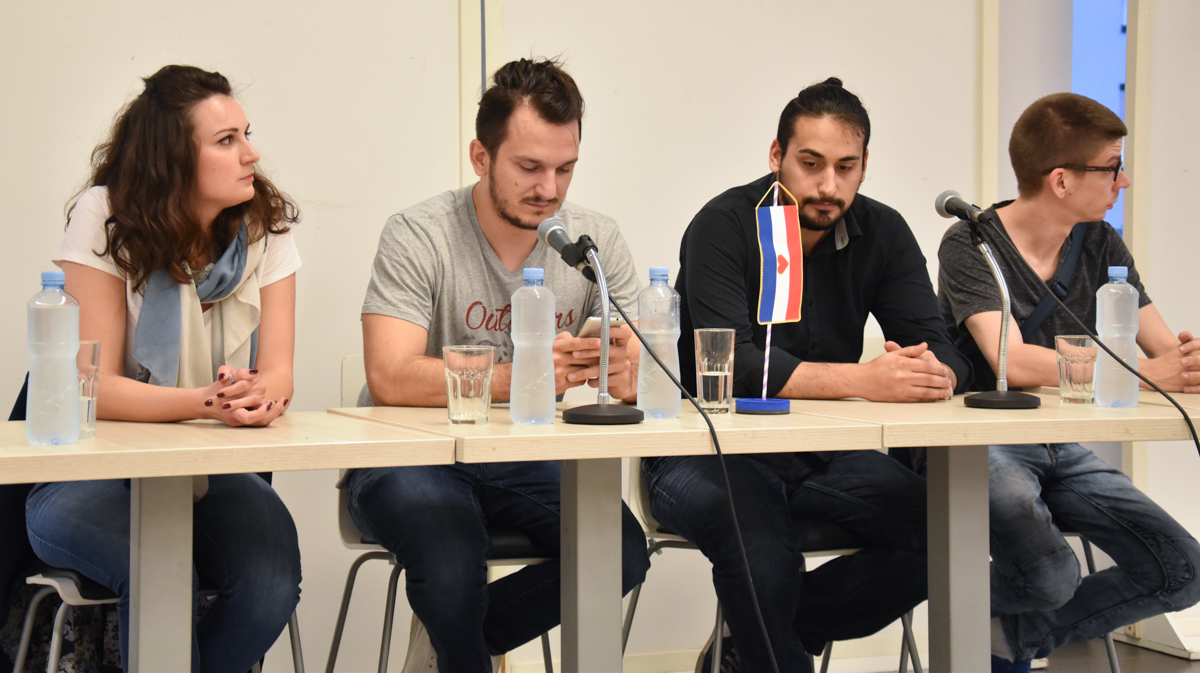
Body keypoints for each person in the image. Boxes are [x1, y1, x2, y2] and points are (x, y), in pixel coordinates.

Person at [645, 78, 971, 673]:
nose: (828, 186)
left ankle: (766, 636)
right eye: (811, 163)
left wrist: (931, 373)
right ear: (777, 156)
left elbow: (947, 351)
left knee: (954, 532)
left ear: (865, 165)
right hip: (707, 450)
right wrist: (865, 381)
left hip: (821, 452)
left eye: (846, 167)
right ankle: (767, 637)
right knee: (763, 552)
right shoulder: (725, 224)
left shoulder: (884, 232)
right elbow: (734, 365)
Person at [347, 58, 650, 673]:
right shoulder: (418, 234)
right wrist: (528, 379)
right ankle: (455, 635)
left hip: (526, 456)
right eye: (529, 167)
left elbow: (644, 360)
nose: (549, 189)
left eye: (565, 168)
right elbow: (390, 376)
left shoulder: (592, 241)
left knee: (619, 550)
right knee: (450, 560)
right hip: (413, 455)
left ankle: (454, 642)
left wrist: (626, 374)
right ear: (480, 158)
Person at [22, 65, 303, 672]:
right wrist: (206, 403)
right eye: (226, 140)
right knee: (163, 571)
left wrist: (257, 395)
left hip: (206, 469)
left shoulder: (264, 226)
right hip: (87, 474)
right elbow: (90, 387)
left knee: (271, 583)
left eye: (246, 135)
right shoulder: (107, 214)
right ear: (172, 158)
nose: (251, 154)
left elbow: (280, 372)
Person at [937, 92, 1200, 672]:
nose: (1123, 181)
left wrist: (1188, 364)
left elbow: (1163, 352)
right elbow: (1011, 359)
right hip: (983, 445)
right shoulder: (972, 242)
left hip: (1060, 445)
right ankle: (975, 625)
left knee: (1183, 569)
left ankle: (1004, 637)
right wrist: (1142, 374)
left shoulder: (1100, 241)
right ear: (1060, 180)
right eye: (1111, 168)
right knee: (1052, 575)